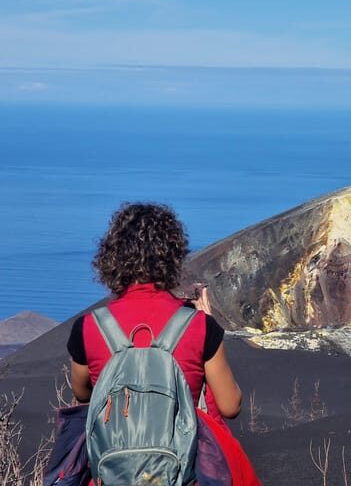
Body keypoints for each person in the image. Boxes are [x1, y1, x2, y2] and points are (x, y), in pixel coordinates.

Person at [66, 202, 259, 485]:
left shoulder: (88, 328)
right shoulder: (199, 327)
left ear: (112, 258)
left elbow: (82, 393)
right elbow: (230, 406)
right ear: (171, 257)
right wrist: (209, 325)